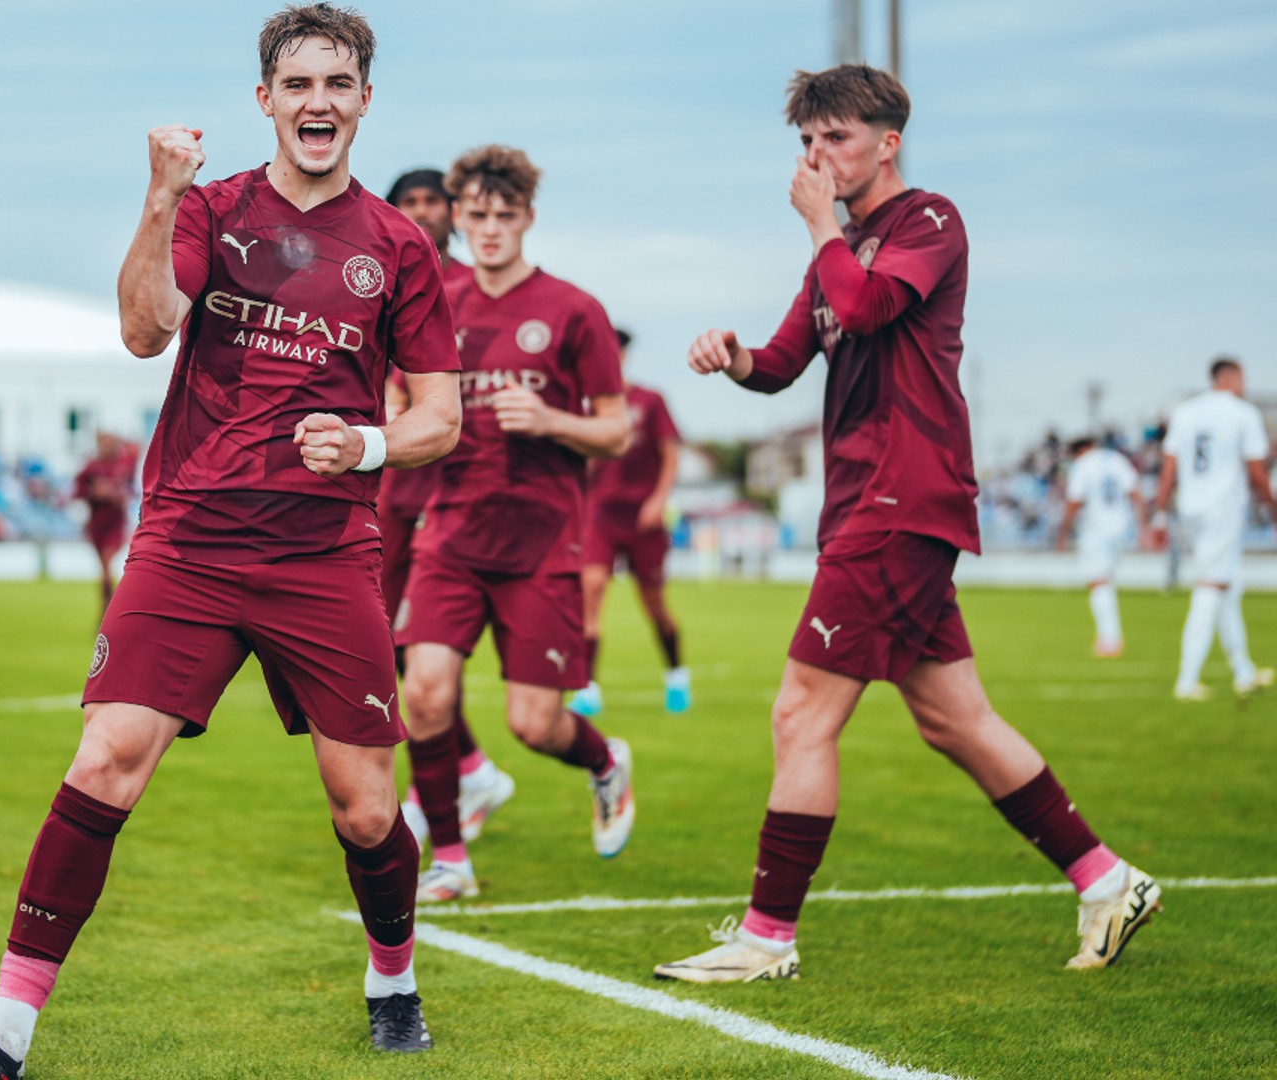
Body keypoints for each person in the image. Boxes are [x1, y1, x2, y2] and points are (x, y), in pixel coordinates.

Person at [0, 7, 462, 1077]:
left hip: (322, 552)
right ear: (265, 101)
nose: (318, 104)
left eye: (338, 84)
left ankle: (392, 976)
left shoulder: (397, 246)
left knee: (367, 808)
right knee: (105, 764)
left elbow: (443, 417)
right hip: (190, 540)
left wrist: (372, 444)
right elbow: (146, 327)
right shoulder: (212, 209)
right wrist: (159, 197)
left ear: (365, 101)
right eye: (297, 85)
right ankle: (1, 1040)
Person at [656, 64, 1160, 983]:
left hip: (901, 502)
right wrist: (732, 358)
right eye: (807, 143)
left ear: (888, 143)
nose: (816, 159)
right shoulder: (839, 246)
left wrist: (819, 229)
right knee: (955, 720)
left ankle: (768, 937)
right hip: (870, 506)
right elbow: (781, 362)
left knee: (801, 712)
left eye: (836, 140)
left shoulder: (928, 221)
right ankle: (1106, 879)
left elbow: (867, 305)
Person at [394, 144, 635, 905]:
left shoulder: (573, 310)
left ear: (528, 218)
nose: (491, 229)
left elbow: (617, 431)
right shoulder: (438, 301)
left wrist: (552, 418)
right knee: (425, 694)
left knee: (535, 724)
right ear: (458, 218)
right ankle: (452, 860)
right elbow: (403, 394)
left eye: (507, 216)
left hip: (540, 545)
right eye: (478, 216)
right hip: (452, 535)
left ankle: (604, 764)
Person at [380, 167, 517, 845]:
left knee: (422, 641)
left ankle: (445, 777)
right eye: (410, 202)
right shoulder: (379, 275)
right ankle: (468, 765)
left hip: (451, 487)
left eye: (434, 201)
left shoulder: (470, 286)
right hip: (391, 483)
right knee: (391, 640)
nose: (424, 212)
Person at [573, 328, 690, 716]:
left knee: (654, 602)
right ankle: (587, 686)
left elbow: (670, 454)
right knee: (590, 591)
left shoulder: (649, 400)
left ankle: (676, 675)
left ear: (624, 355)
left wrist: (658, 500)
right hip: (600, 516)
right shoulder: (586, 407)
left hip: (644, 519)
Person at [1151, 356, 1277, 702]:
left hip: (1191, 508)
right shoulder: (1243, 413)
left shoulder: (1186, 411)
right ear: (1231, 377)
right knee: (1211, 585)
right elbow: (1256, 471)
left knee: (1227, 584)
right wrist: (1273, 508)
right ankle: (1187, 680)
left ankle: (1243, 670)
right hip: (1223, 508)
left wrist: (1160, 514)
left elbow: (1169, 466)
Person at [1055, 436, 1146, 657]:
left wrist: (1064, 533)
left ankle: (1110, 639)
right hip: (1121, 525)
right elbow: (1135, 493)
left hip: (1097, 527)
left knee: (1098, 582)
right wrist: (1144, 526)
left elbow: (1074, 501)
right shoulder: (1116, 459)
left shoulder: (1084, 465)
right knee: (1106, 580)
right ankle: (1109, 637)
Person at [71, 431, 140, 613]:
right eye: (103, 444)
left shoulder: (123, 466)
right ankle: (106, 606)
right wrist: (95, 493)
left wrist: (121, 495)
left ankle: (109, 608)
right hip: (97, 525)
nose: (106, 448)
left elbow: (133, 489)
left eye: (110, 444)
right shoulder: (92, 467)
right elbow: (77, 491)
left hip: (115, 524)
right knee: (104, 569)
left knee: (107, 565)